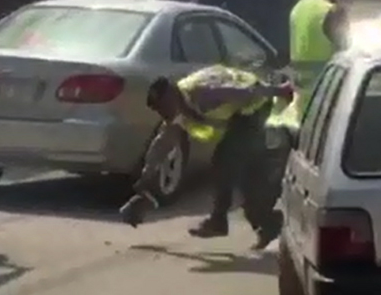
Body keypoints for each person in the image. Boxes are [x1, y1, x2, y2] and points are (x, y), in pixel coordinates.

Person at [122, 65, 291, 250]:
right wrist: (145, 183)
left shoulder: (203, 94)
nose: (164, 115)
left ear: (172, 95)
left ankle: (219, 221)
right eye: (159, 111)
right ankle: (269, 225)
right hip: (238, 115)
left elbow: (243, 92)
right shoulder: (177, 108)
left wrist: (279, 90)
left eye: (163, 107)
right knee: (244, 176)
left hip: (254, 107)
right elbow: (161, 145)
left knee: (225, 161)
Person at [286, 0, 354, 115]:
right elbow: (351, 62)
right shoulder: (333, 12)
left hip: (302, 110)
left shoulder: (298, 8)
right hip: (327, 110)